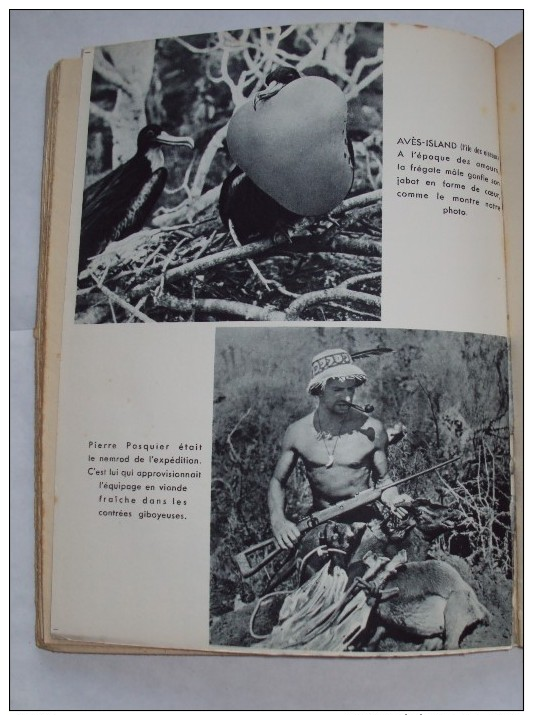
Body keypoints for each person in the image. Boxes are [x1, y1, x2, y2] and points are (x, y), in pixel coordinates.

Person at [268, 347, 411, 550]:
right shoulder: (297, 432)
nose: (348, 398)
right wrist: (278, 520)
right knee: (313, 578)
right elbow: (277, 480)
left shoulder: (373, 429)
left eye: (350, 389)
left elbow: (384, 480)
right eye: (338, 390)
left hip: (366, 522)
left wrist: (394, 499)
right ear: (319, 390)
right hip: (319, 522)